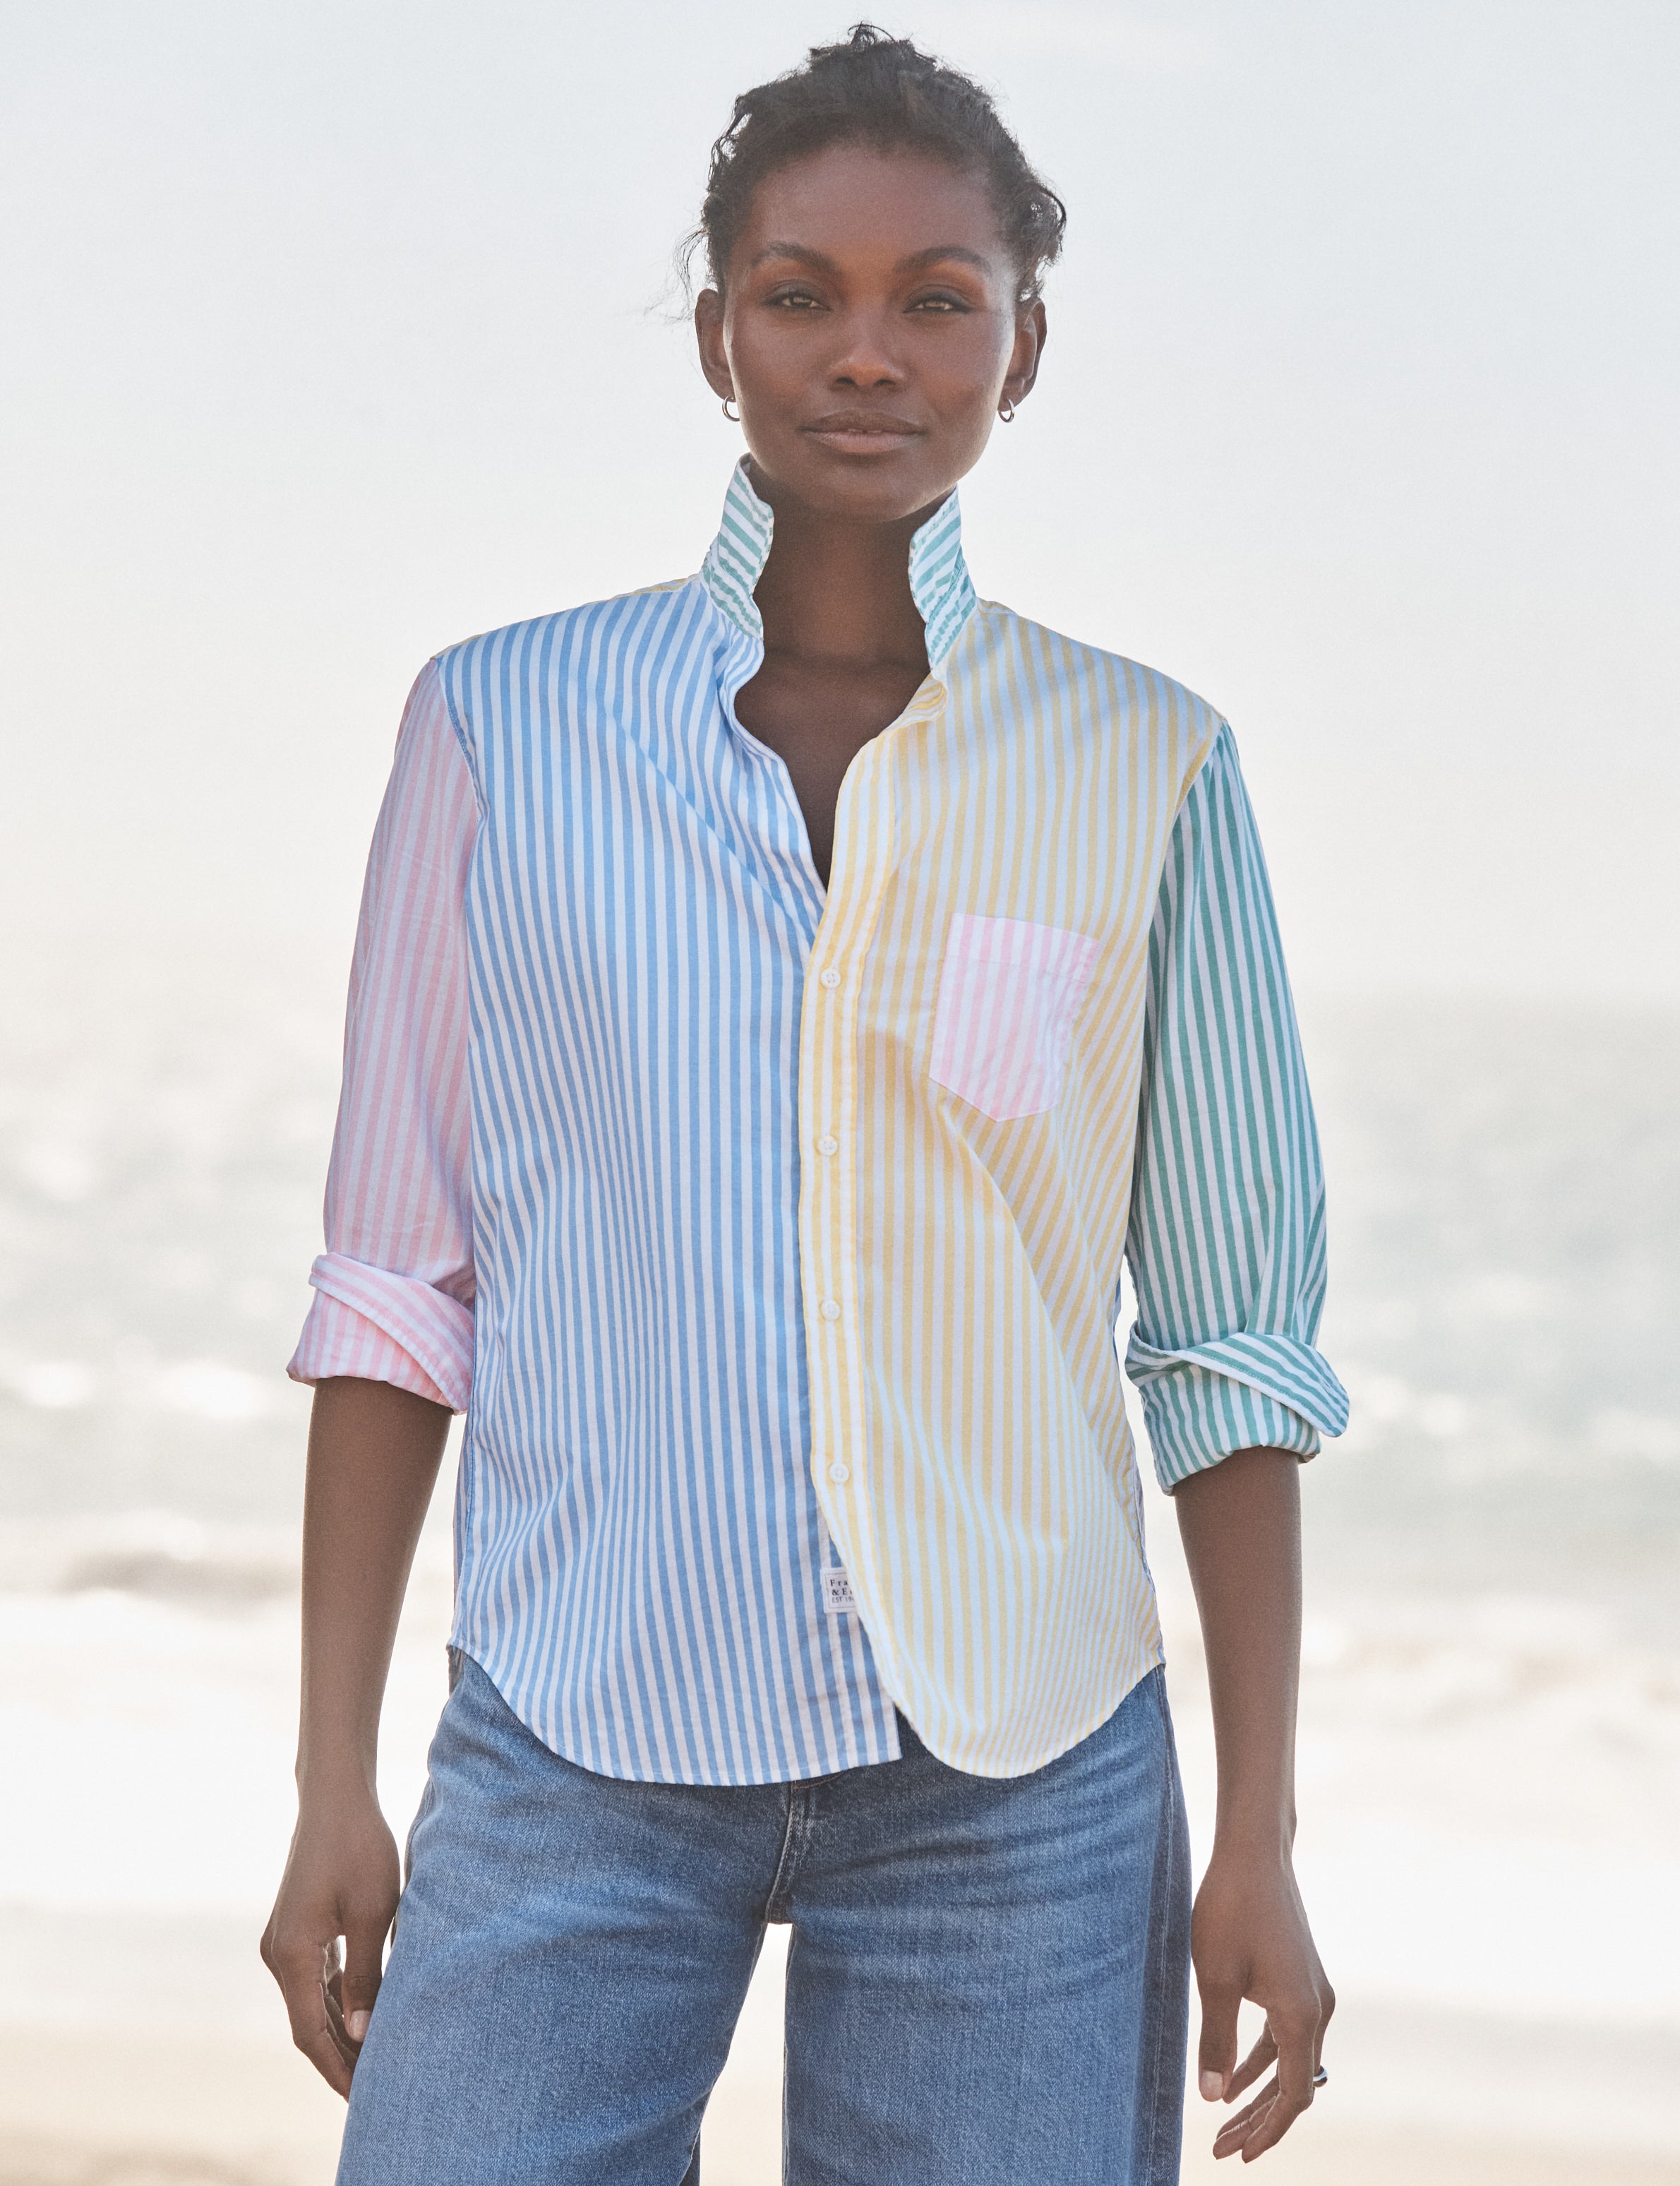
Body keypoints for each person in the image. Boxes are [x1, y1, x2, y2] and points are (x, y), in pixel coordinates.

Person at [260, 25, 1346, 2184]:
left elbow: (1223, 1347)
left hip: (1019, 1783)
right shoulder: (501, 726)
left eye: (938, 296)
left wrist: (1258, 1839)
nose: (870, 353)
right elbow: (397, 1290)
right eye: (801, 292)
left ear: (1021, 347)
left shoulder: (1146, 766)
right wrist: (329, 1782)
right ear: (715, 333)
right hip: (575, 1732)